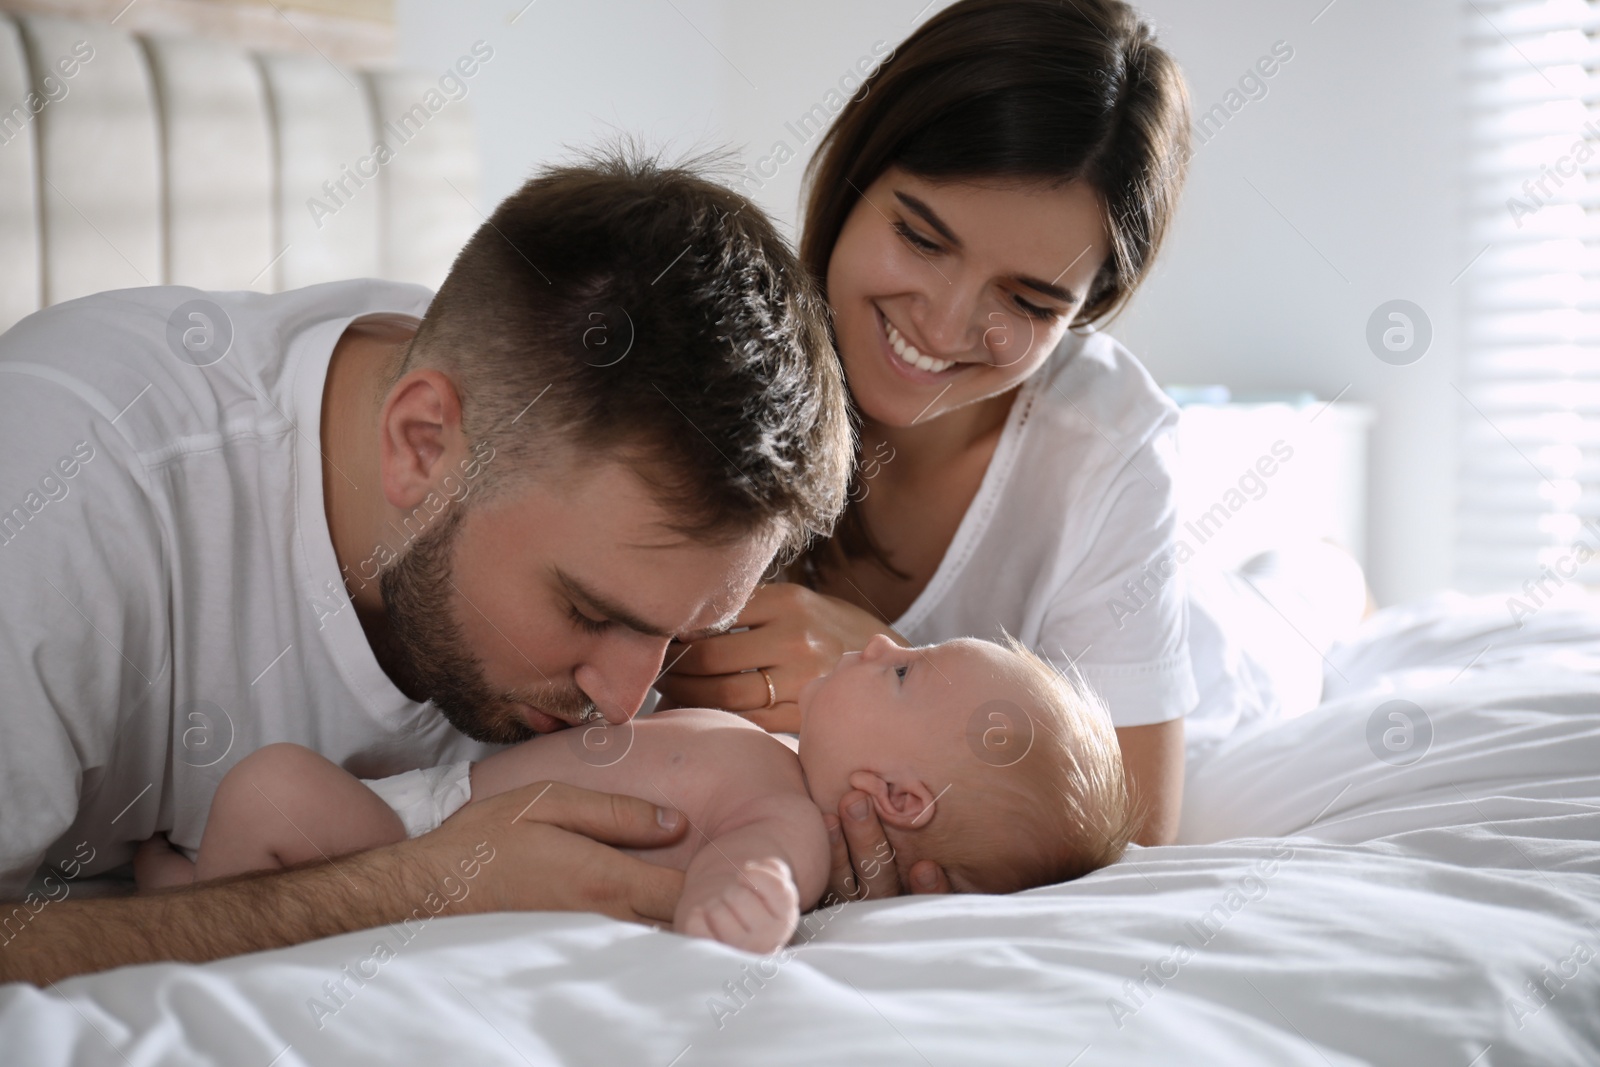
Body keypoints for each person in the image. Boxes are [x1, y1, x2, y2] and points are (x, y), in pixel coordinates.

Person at [0, 147, 853, 984]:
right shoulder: (63, 479)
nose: (625, 700)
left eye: (678, 640)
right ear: (422, 445)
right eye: (591, 615)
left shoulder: (555, 451)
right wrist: (415, 890)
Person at [657, 0, 1200, 901]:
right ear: (853, 174)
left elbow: (1136, 832)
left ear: (1083, 314)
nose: (946, 325)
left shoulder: (1104, 442)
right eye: (919, 236)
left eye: (1028, 302)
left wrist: (883, 658)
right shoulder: (716, 353)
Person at [136, 634, 1135, 956]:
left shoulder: (785, 813)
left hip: (435, 836)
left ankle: (194, 904)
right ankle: (204, 875)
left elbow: (758, 867)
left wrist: (741, 898)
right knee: (283, 790)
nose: (878, 641)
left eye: (905, 672)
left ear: (899, 798)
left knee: (272, 786)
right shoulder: (775, 751)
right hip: (434, 798)